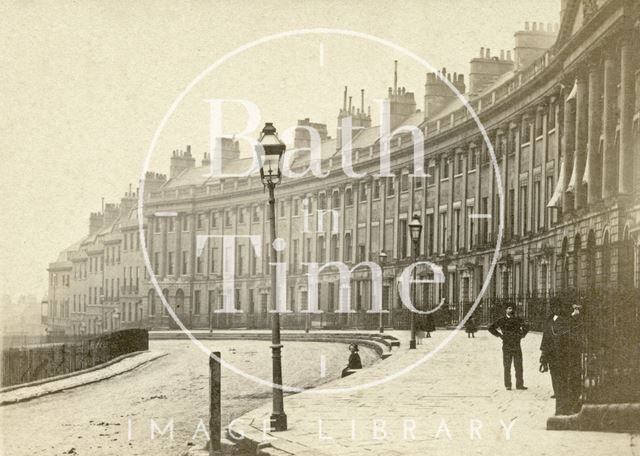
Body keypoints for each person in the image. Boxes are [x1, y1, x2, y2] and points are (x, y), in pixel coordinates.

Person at [540, 301, 583, 415]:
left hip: (565, 357)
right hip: (555, 357)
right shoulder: (551, 320)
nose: (556, 309)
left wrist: (575, 316)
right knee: (558, 384)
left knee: (565, 384)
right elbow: (545, 338)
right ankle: (561, 408)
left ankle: (565, 408)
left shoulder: (567, 320)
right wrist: (544, 356)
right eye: (554, 307)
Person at [489, 304, 529, 390]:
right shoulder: (502, 320)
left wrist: (522, 335)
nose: (511, 310)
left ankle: (519, 384)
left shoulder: (518, 319)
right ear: (505, 310)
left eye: (512, 308)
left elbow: (527, 326)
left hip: (516, 344)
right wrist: (500, 335)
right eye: (509, 308)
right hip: (506, 345)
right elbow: (491, 328)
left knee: (518, 365)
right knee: (507, 366)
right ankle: (508, 385)